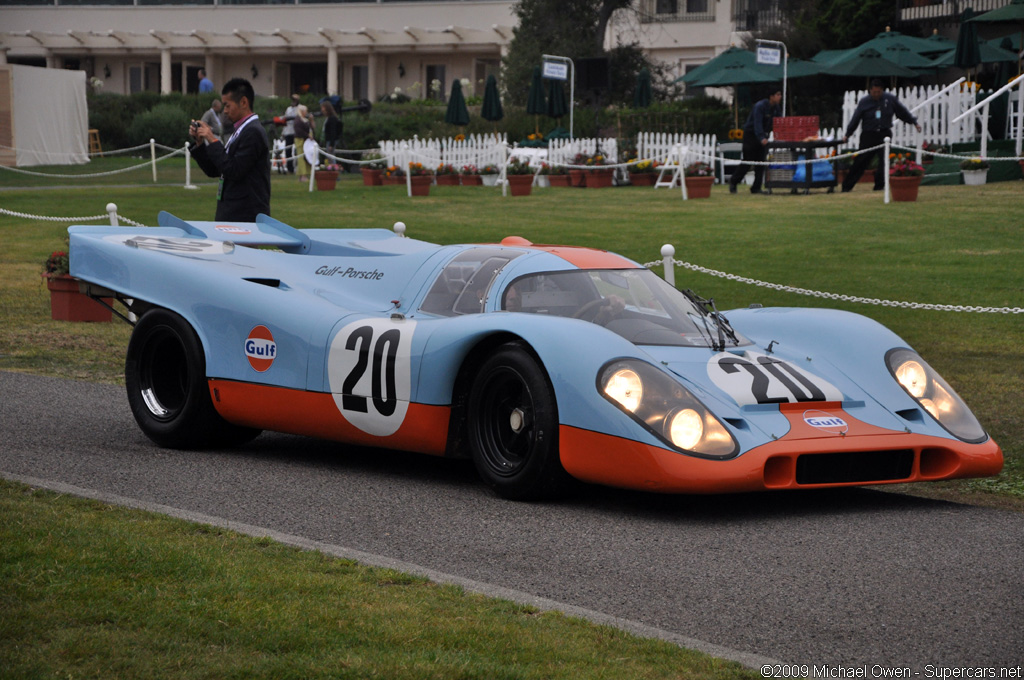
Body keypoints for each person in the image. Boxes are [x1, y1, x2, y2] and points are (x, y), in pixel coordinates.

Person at [189, 77, 270, 222]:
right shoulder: (241, 130)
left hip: (245, 217)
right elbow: (215, 170)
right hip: (232, 214)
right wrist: (200, 143)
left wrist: (213, 139)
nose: (225, 111)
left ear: (244, 102)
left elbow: (234, 170)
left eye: (227, 105)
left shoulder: (253, 132)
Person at [841, 78, 922, 192]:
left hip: (884, 134)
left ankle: (879, 186)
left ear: (882, 91)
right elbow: (856, 118)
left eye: (878, 92)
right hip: (868, 135)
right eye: (874, 92)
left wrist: (914, 122)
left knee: (884, 161)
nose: (876, 95)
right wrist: (848, 134)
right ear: (870, 91)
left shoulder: (890, 99)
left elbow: (902, 112)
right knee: (861, 161)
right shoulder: (864, 102)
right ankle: (847, 186)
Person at [728, 86, 783, 194]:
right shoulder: (760, 106)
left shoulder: (776, 107)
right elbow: (757, 124)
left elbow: (778, 122)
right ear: (771, 96)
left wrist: (780, 134)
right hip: (751, 136)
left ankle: (756, 188)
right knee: (748, 161)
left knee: (761, 162)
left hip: (763, 136)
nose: (780, 97)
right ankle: (733, 181)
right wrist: (761, 138)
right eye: (778, 95)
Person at [292, 104, 315, 182]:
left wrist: (311, 120)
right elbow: (298, 131)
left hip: (306, 141)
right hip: (300, 140)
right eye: (305, 111)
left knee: (306, 158)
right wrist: (307, 135)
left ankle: (305, 174)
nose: (307, 112)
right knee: (301, 158)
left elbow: (312, 127)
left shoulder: (305, 119)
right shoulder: (298, 120)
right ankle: (302, 175)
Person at [282, 94, 300, 174]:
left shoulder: (299, 108)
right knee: (288, 151)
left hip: (296, 131)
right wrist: (283, 132)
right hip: (288, 131)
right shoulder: (288, 109)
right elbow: (285, 120)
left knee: (298, 150)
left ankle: (299, 168)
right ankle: (290, 168)